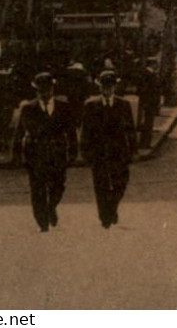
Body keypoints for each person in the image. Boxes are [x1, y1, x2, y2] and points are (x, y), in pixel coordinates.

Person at [12, 72, 78, 233]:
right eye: (41, 91)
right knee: (37, 189)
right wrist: (17, 155)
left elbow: (71, 132)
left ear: (53, 89)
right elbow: (19, 132)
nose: (45, 94)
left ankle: (51, 207)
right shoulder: (28, 108)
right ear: (37, 91)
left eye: (48, 90)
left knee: (59, 186)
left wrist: (74, 151)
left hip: (58, 152)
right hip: (35, 153)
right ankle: (42, 222)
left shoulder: (63, 107)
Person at [81, 69, 138, 229]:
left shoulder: (124, 105)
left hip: (119, 152)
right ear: (100, 87)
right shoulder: (91, 105)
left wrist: (133, 150)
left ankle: (111, 207)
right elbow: (85, 130)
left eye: (110, 86)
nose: (107, 90)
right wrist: (85, 151)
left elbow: (130, 129)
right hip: (98, 152)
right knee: (101, 185)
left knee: (121, 182)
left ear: (115, 87)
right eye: (105, 87)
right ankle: (105, 216)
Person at [136, 61, 161, 149]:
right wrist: (146, 101)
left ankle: (146, 142)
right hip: (148, 103)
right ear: (152, 64)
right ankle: (144, 143)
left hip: (150, 103)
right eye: (156, 64)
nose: (157, 66)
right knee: (147, 123)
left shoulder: (149, 74)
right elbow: (144, 89)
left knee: (148, 123)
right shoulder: (147, 75)